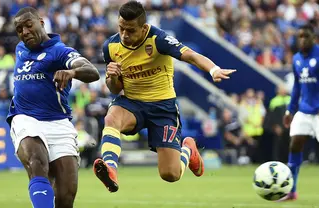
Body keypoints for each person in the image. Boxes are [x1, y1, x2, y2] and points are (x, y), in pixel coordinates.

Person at [93, 1, 236, 193]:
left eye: (130, 30)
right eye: (121, 29)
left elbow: (191, 55)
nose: (125, 35)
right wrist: (112, 77)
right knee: (111, 118)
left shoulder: (158, 39)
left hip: (162, 107)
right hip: (132, 102)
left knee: (170, 174)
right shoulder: (110, 47)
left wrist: (214, 70)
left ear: (144, 28)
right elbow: (114, 88)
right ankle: (110, 168)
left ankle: (188, 150)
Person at [6, 7, 100, 208]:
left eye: (28, 25)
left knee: (66, 196)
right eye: (19, 29)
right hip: (24, 117)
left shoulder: (59, 51)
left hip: (59, 122)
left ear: (41, 22)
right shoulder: (20, 49)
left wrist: (72, 72)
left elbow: (92, 71)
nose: (24, 32)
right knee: (36, 161)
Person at [282, 24, 319, 201]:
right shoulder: (296, 58)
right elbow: (297, 87)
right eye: (300, 37)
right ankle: (291, 190)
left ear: (314, 38)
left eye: (306, 36)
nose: (302, 40)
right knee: (295, 144)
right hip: (304, 111)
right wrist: (290, 109)